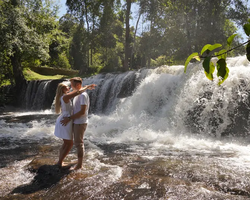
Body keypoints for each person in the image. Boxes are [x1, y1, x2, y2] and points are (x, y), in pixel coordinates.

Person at [54, 82, 95, 168]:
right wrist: (87, 86)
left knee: (66, 143)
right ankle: (60, 162)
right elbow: (78, 92)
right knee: (69, 144)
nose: (68, 88)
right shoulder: (65, 96)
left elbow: (78, 91)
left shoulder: (65, 95)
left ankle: (60, 161)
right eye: (66, 87)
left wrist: (85, 87)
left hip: (66, 119)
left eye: (69, 87)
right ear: (62, 89)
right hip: (65, 120)